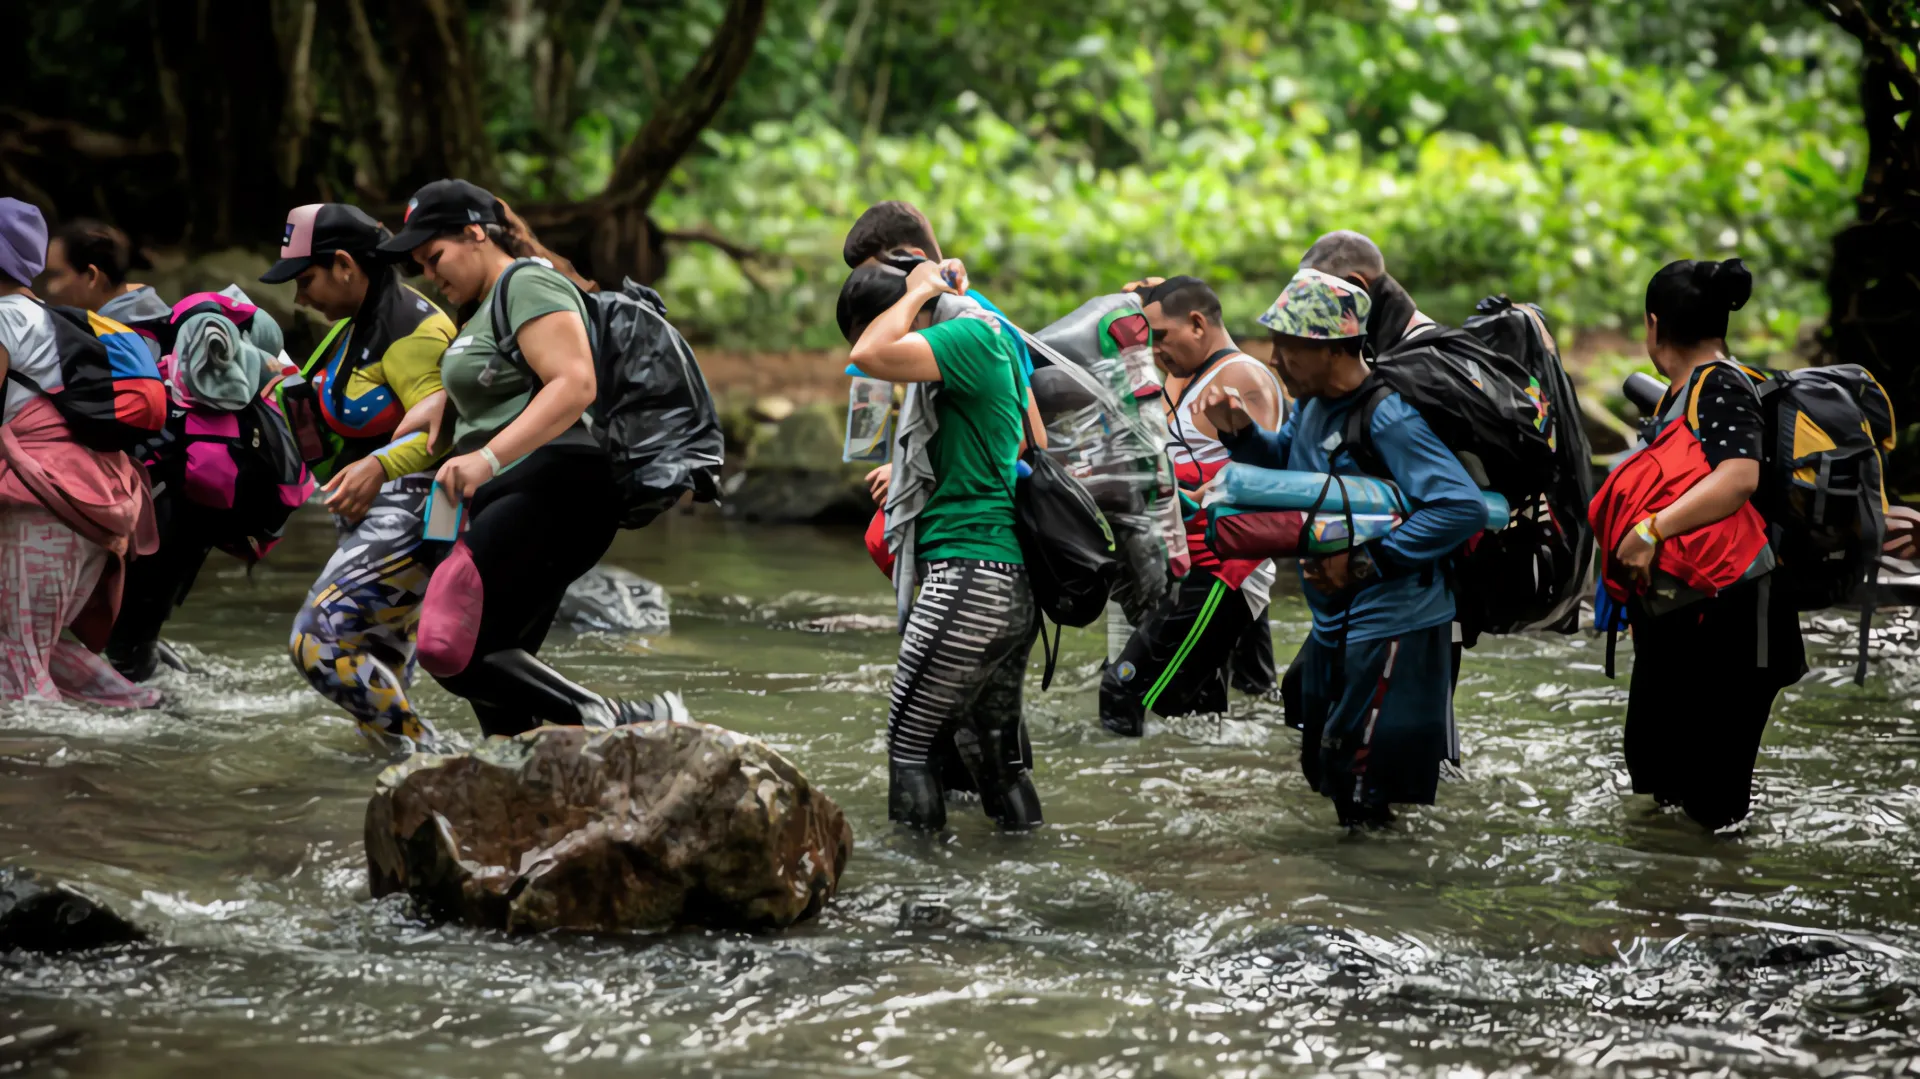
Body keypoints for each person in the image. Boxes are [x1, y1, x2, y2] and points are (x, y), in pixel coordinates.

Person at [377, 178, 683, 737]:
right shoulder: (483, 308)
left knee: (447, 643)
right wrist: (445, 403)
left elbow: (574, 384)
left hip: (559, 483)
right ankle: (527, 780)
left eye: (435, 256)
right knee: (494, 669)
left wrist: (486, 459)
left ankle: (619, 719)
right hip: (518, 489)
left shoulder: (528, 283)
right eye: (420, 264)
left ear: (475, 234)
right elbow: (504, 380)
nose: (428, 273)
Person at [1199, 268, 1485, 828]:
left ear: (1331, 349)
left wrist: (1362, 563)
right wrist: (1240, 434)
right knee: (1327, 769)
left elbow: (1461, 508)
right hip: (1337, 621)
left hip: (1395, 623)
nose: (1274, 361)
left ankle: (1384, 902)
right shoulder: (1311, 405)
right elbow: (1290, 466)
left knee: (1362, 784)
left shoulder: (1388, 416)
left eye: (1287, 348)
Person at [838, 255, 1045, 832]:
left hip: (968, 575)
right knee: (995, 760)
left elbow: (869, 354)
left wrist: (911, 296)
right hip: (1006, 584)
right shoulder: (986, 333)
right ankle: (1027, 866)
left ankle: (917, 898)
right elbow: (1034, 435)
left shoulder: (967, 335)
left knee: (908, 745)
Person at [1607, 258, 1805, 830]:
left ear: (1653, 324)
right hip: (1696, 614)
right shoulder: (1685, 394)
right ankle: (1680, 899)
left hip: (1738, 621)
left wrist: (1651, 531)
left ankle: (1719, 912)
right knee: (1662, 777)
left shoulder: (1718, 384)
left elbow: (1740, 475)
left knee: (1713, 803)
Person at [262, 203, 456, 750]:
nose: (299, 298)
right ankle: (403, 783)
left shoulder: (414, 331)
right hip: (372, 515)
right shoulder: (355, 325)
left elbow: (445, 432)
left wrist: (379, 466)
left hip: (419, 511)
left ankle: (438, 757)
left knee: (316, 642)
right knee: (376, 667)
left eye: (306, 280)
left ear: (345, 264)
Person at [1099, 276, 1287, 735]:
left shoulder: (1243, 376)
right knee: (1195, 715)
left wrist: (1198, 496)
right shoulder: (1182, 375)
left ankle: (1126, 795)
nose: (1154, 348)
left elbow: (1271, 476)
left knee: (1125, 691)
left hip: (1224, 569)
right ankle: (1203, 791)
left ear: (1198, 324)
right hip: (1181, 564)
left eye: (1161, 337)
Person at [0, 198, 159, 707]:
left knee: (18, 670)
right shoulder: (49, 320)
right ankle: (145, 714)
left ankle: (40, 782)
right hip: (86, 506)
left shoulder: (2, 319)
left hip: (40, 512)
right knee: (33, 653)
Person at [842, 201, 1035, 507]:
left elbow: (1025, 437)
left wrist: (908, 469)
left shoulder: (981, 328)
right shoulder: (897, 330)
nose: (865, 288)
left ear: (914, 261)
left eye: (877, 274)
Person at [40, 219, 171, 359]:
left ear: (92, 276)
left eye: (56, 275)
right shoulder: (153, 317)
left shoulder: (113, 347)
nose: (50, 288)